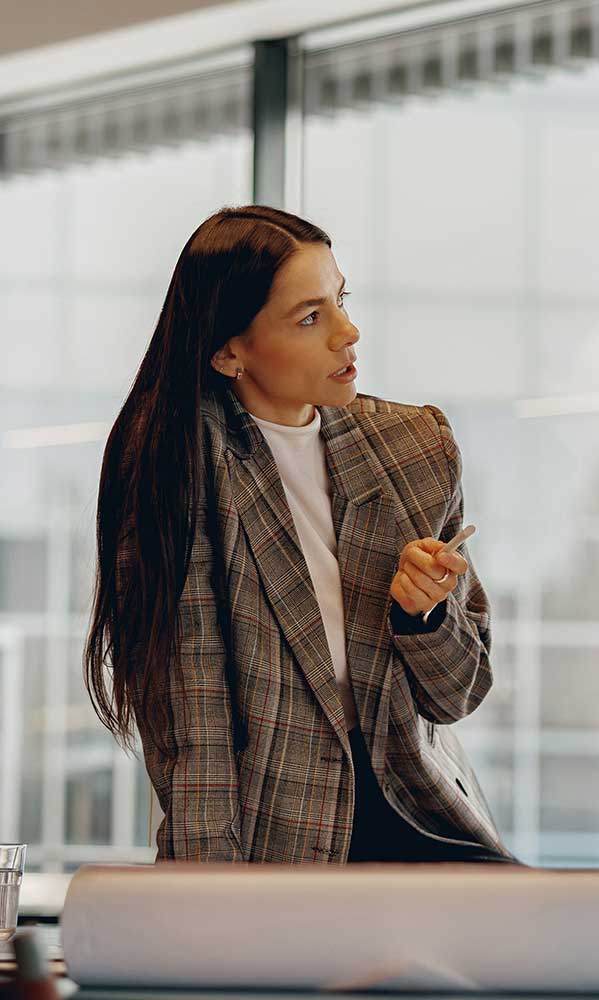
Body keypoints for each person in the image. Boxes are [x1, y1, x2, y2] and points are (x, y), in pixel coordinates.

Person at [84, 206, 513, 865]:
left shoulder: (414, 449)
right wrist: (208, 903)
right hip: (276, 841)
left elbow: (457, 694)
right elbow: (195, 730)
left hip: (422, 817)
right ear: (228, 352)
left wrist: (423, 615)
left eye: (341, 300)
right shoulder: (179, 467)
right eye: (310, 317)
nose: (348, 332)